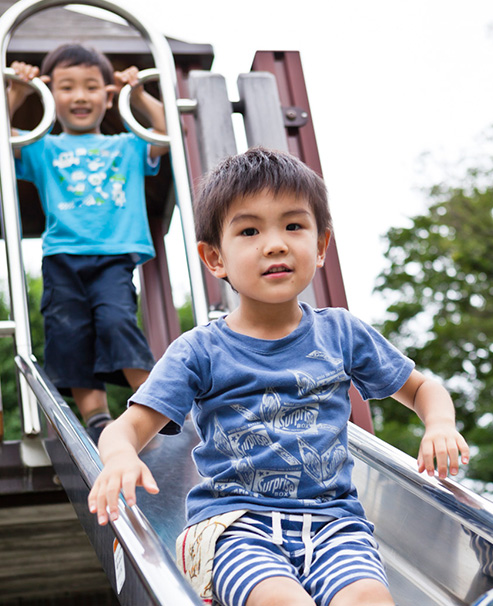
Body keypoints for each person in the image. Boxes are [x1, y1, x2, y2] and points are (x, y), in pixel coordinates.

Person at [88, 147, 470, 606]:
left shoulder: (341, 333)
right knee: (281, 601)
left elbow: (423, 388)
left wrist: (440, 424)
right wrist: (119, 459)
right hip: (234, 526)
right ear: (214, 258)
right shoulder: (200, 350)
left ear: (321, 244)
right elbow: (125, 428)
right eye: (249, 230)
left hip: (335, 525)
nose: (275, 244)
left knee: (369, 598)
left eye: (293, 226)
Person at [7, 44, 169, 440]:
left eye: (91, 87)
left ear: (108, 95)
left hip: (112, 257)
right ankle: (97, 419)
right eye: (66, 87)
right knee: (70, 334)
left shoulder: (126, 146)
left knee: (116, 322)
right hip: (62, 257)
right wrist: (17, 93)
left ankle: (159, 403)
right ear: (50, 94)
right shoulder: (43, 146)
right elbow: (1, 135)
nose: (79, 96)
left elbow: (165, 136)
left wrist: (140, 95)